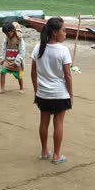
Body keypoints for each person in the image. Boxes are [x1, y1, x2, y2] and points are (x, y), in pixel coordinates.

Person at [31, 17, 73, 164]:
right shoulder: (63, 50)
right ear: (55, 32)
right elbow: (68, 75)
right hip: (59, 93)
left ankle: (44, 152)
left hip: (43, 93)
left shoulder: (38, 47)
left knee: (44, 122)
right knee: (58, 123)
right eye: (64, 30)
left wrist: (37, 90)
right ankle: (56, 155)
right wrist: (71, 94)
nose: (66, 33)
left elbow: (33, 72)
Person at [0, 22, 25, 94]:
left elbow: (22, 51)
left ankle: (21, 88)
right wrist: (2, 59)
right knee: (2, 71)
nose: (7, 35)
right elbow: (3, 48)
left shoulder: (19, 38)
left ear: (13, 31)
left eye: (8, 33)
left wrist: (17, 61)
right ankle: (2, 88)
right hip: (8, 59)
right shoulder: (6, 38)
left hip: (17, 60)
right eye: (5, 34)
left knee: (20, 75)